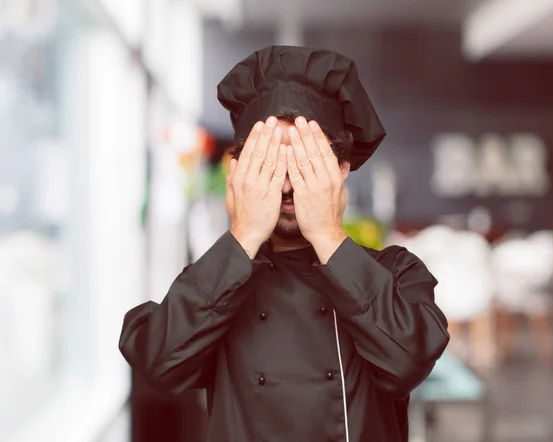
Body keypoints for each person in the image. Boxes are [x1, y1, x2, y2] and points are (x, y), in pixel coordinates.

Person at [119, 45, 450, 442]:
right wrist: (242, 236)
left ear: (341, 169)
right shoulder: (221, 281)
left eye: (306, 162)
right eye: (271, 163)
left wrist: (327, 235)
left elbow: (407, 362)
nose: (288, 184)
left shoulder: (396, 271)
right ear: (241, 173)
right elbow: (158, 363)